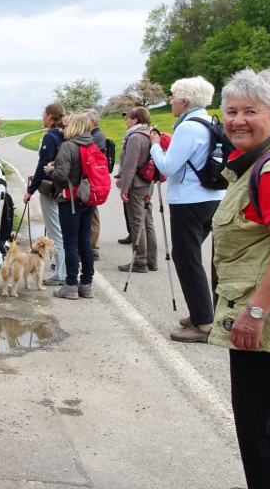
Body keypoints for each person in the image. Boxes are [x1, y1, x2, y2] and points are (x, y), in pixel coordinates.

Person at [207, 68, 270, 489]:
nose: (238, 120)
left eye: (250, 111)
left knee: (263, 434)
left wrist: (255, 312)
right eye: (231, 111)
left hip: (268, 325)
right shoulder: (262, 164)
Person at [148, 76, 226, 343]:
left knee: (186, 258)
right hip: (213, 197)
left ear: (184, 101)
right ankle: (201, 311)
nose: (170, 102)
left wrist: (155, 146)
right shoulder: (210, 122)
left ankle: (203, 322)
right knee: (193, 257)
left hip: (189, 200)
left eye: (172, 97)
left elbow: (168, 167)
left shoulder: (188, 127)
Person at [43, 114, 97, 299]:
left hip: (70, 199)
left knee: (70, 244)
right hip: (88, 197)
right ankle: (86, 284)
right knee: (85, 243)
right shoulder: (92, 145)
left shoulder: (68, 146)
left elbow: (62, 175)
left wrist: (51, 170)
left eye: (66, 126)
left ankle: (71, 285)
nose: (64, 128)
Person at [22, 103, 67, 286]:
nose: (42, 118)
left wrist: (30, 190)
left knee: (55, 230)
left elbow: (43, 165)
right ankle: (64, 268)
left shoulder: (50, 136)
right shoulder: (65, 135)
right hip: (64, 186)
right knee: (62, 228)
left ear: (50, 116)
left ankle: (61, 273)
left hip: (51, 188)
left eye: (44, 114)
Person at [116, 107, 158, 273]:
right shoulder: (150, 134)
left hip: (137, 185)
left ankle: (140, 260)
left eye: (127, 118)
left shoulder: (135, 137)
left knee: (136, 222)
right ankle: (151, 260)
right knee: (147, 221)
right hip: (148, 184)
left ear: (135, 120)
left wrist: (124, 187)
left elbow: (130, 165)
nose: (126, 121)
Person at [83, 109, 107, 261]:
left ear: (91, 122)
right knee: (90, 214)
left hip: (93, 181)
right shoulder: (93, 135)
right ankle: (90, 246)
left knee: (93, 215)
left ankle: (93, 248)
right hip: (89, 180)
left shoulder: (97, 136)